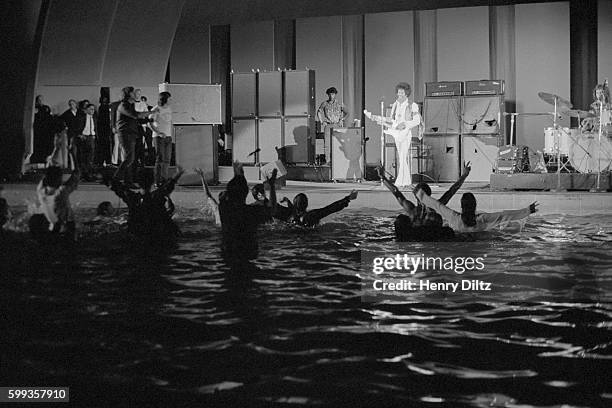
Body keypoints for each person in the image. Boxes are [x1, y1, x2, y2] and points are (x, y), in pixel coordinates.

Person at [379, 162, 471, 226]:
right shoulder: (435, 207)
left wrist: (383, 177)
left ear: (416, 195)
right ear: (429, 195)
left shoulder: (411, 209)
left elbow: (396, 192)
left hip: (414, 238)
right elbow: (451, 191)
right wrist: (464, 175)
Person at [218, 162, 278, 261]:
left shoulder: (224, 209)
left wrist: (238, 175)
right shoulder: (251, 212)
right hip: (248, 253)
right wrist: (272, 186)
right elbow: (272, 209)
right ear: (246, 193)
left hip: (228, 253)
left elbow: (232, 191)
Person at [365, 83, 421, 187]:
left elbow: (417, 120)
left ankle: (401, 181)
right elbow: (391, 119)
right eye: (399, 93)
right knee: (401, 157)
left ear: (407, 94)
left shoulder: (412, 105)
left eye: (402, 93)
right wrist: (378, 117)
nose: (400, 95)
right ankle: (405, 180)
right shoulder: (395, 105)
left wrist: (405, 124)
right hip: (397, 132)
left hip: (405, 133)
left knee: (403, 156)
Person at [109, 167, 185, 238]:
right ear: (153, 181)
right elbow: (168, 185)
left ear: (138, 182)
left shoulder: (132, 198)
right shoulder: (158, 196)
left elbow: (117, 187)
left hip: (137, 238)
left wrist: (103, 176)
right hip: (159, 238)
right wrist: (178, 174)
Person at [416, 190, 538, 233]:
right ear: (475, 205)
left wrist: (420, 194)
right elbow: (503, 215)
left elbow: (437, 206)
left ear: (462, 206)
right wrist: (527, 210)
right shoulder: (482, 219)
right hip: (480, 239)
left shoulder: (454, 218)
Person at [29, 154, 80, 242]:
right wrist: (73, 155)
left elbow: (47, 175)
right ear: (59, 179)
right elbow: (76, 173)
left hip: (48, 225)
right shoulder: (61, 192)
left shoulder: (41, 190)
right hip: (64, 227)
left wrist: (56, 150)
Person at [113, 86, 153, 187]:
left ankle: (127, 181)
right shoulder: (124, 105)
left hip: (131, 133)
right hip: (125, 133)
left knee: (130, 158)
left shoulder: (130, 105)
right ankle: (116, 178)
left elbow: (136, 119)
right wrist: (151, 112)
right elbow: (135, 115)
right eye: (133, 92)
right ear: (128, 94)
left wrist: (148, 120)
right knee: (130, 158)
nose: (135, 94)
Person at [274, 190, 358, 227]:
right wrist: (348, 198)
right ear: (306, 204)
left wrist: (287, 201)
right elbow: (330, 209)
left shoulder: (289, 216)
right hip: (310, 238)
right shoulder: (311, 215)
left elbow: (293, 210)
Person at [149, 92, 172, 185]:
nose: (171, 100)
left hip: (168, 136)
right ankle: (157, 181)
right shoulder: (156, 109)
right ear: (164, 99)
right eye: (169, 99)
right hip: (158, 137)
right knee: (160, 159)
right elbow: (149, 123)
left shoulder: (169, 109)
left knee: (167, 159)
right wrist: (158, 132)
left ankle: (164, 179)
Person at [61, 99, 85, 170]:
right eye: (70, 104)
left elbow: (84, 122)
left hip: (81, 133)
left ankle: (82, 166)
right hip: (72, 134)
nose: (72, 105)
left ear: (75, 104)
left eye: (73, 103)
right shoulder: (67, 113)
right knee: (73, 150)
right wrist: (65, 127)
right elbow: (61, 120)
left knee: (81, 151)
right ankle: (75, 166)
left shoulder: (81, 112)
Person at [76, 103, 97, 180]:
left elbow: (95, 128)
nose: (93, 111)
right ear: (87, 110)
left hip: (91, 137)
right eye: (91, 109)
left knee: (90, 157)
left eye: (93, 109)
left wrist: (94, 135)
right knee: (83, 157)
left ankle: (89, 174)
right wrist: (80, 135)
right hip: (84, 137)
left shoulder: (94, 118)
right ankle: (83, 174)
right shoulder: (82, 117)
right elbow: (77, 127)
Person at [32, 95, 54, 163]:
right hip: (38, 131)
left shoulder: (46, 107)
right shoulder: (34, 108)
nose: (40, 101)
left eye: (41, 100)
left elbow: (50, 116)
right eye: (39, 100)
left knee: (46, 146)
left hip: (46, 131)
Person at [96, 96, 112, 166]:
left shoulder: (107, 108)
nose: (104, 102)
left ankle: (106, 161)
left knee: (106, 145)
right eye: (103, 100)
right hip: (103, 129)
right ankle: (103, 160)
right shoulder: (102, 108)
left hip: (106, 129)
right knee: (103, 145)